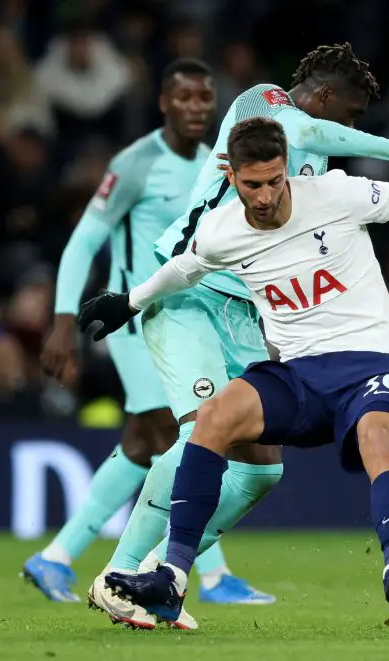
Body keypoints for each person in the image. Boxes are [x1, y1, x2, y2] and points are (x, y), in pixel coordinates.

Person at [77, 116, 389, 627]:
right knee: (212, 419)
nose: (264, 196)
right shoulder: (220, 231)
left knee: (378, 441)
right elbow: (186, 267)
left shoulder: (337, 195)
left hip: (372, 359)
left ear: (287, 171)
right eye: (252, 184)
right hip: (298, 372)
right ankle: (172, 578)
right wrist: (130, 300)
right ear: (230, 177)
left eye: (275, 181)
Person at [86, 43, 389, 630]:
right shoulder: (265, 108)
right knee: (201, 432)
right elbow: (308, 128)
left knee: (262, 470)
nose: (351, 127)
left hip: (243, 310)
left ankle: (162, 572)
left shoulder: (307, 174)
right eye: (354, 113)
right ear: (329, 99)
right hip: (187, 294)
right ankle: (120, 575)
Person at [23, 58, 273, 607]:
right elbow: (86, 238)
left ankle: (55, 557)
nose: (195, 107)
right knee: (185, 432)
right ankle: (205, 575)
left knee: (145, 442)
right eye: (183, 97)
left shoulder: (221, 165)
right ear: (163, 102)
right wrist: (64, 321)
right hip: (137, 318)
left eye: (205, 98)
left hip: (195, 314)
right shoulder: (136, 164)